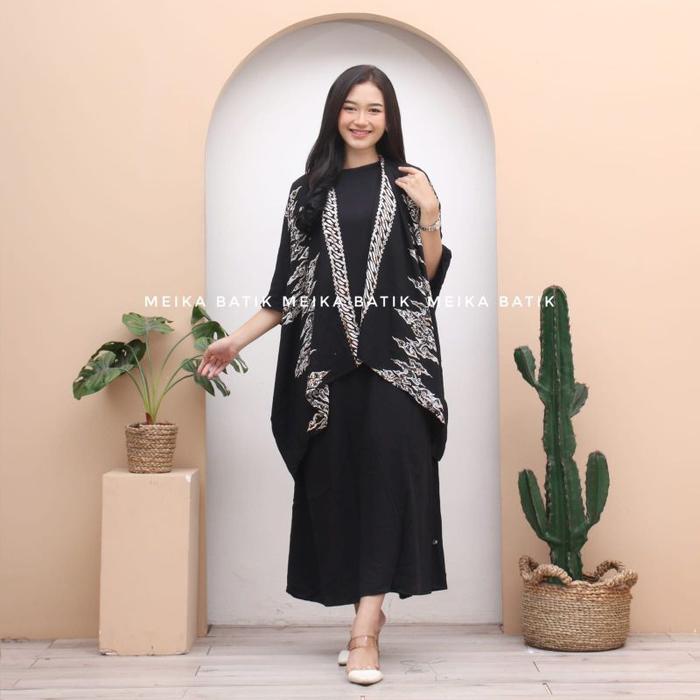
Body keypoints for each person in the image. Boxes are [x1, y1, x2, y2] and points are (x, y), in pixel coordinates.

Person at [197, 64, 452, 687]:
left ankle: (364, 634)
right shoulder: (307, 192)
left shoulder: (409, 183)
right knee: (343, 487)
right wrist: (234, 340)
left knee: (390, 484)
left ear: (388, 119)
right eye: (351, 107)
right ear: (335, 112)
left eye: (375, 109)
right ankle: (368, 613)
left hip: (399, 363)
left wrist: (431, 212)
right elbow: (287, 289)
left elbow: (426, 278)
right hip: (327, 369)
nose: (362, 120)